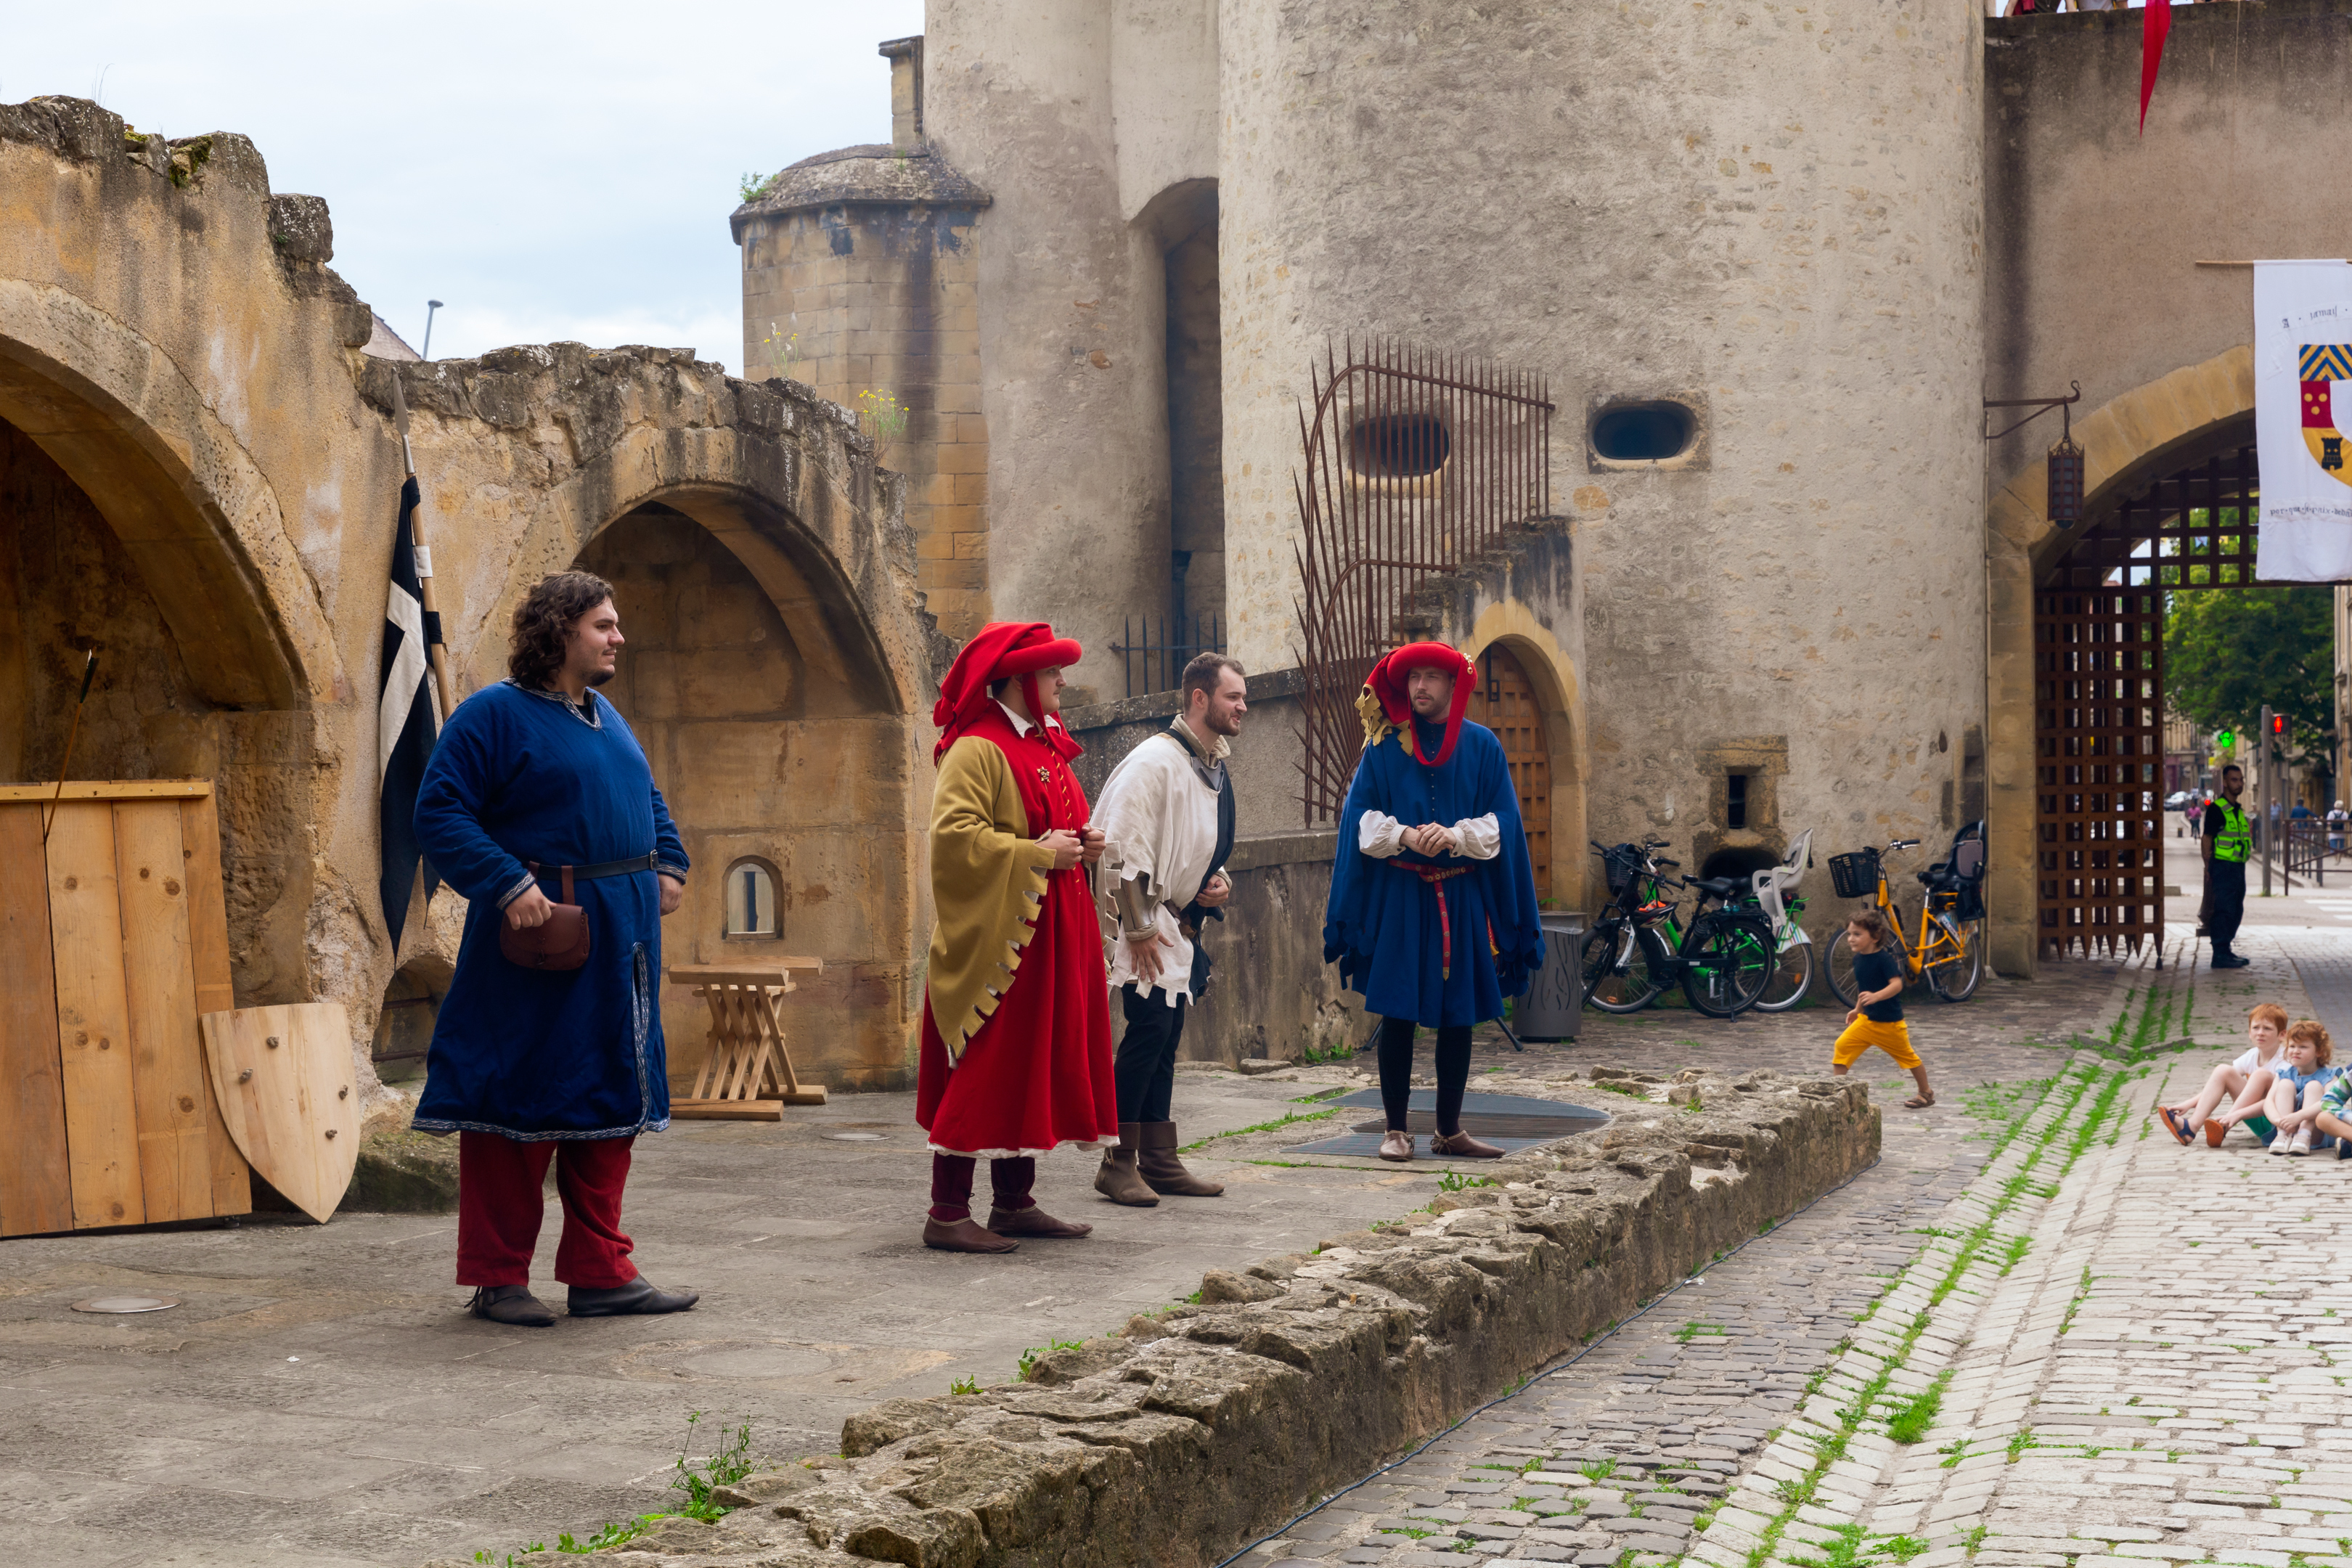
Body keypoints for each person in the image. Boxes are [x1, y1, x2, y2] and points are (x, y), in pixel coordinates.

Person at [412, 571, 697, 1328]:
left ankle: (602, 1273)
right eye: (604, 625)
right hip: (539, 940)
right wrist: (506, 882)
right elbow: (438, 810)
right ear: (561, 630)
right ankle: (498, 1279)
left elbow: (648, 796)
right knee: (515, 1103)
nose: (618, 637)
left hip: (624, 941)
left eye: (616, 624)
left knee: (611, 1098)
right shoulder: (491, 717)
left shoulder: (606, 715)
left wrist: (669, 862)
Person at [915, 621, 1116, 1253]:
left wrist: (1081, 845)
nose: (1062, 680)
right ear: (1019, 680)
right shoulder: (978, 748)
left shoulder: (1046, 743)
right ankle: (947, 1211)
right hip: (1006, 939)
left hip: (1052, 931)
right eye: (1052, 671)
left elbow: (1057, 828)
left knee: (1032, 1062)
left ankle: (1013, 1202)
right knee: (991, 1061)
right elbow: (952, 839)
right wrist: (1036, 853)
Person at [1323, 642, 1545, 1163]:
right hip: (1403, 896)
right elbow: (1360, 823)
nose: (1419, 687)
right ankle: (1396, 1130)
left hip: (1461, 894)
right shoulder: (1382, 747)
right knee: (1398, 1011)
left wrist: (1455, 835)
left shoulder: (1483, 746)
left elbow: (1502, 825)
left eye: (1430, 678)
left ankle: (1449, 1130)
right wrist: (1403, 835)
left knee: (1458, 1014)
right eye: (1413, 678)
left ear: (1452, 685)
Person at [1090, 653, 1246, 1206]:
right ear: (1199, 698)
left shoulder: (1208, 762)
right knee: (1147, 1035)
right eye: (1234, 697)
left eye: (1243, 697)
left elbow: (1199, 839)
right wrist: (1136, 929)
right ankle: (1118, 1161)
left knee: (1164, 1040)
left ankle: (1157, 1158)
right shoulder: (1155, 760)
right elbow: (1119, 842)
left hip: (1177, 923)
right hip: (1147, 923)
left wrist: (1215, 881)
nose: (1243, 707)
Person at [1831, 907, 1934, 1109]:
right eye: (1849, 934)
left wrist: (1877, 996)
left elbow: (1897, 984)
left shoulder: (1884, 959)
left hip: (1889, 1025)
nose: (1851, 939)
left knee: (1909, 1058)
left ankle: (1926, 1092)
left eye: (1857, 934)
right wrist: (1857, 1009)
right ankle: (1837, 1092)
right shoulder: (1859, 958)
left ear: (1875, 936)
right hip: (1866, 1022)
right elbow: (1864, 989)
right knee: (1842, 1047)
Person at [2158, 1003, 2290, 1147]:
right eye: (2256, 1028)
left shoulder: (2286, 1061)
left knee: (2260, 1075)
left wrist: (2235, 1115)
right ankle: (2191, 1127)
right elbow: (2217, 1084)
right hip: (2254, 1117)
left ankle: (2225, 1124)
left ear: (2282, 1035)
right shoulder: (2252, 1055)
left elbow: (2272, 1101)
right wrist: (2188, 1104)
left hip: (2277, 1123)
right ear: (2249, 1032)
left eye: (2267, 1029)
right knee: (2223, 1070)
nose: (2260, 1033)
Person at [2259, 1021, 2337, 1158]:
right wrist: (2278, 1120)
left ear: (2319, 1051)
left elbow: (2331, 1102)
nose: (2296, 1051)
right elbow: (2268, 1102)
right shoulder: (2284, 1074)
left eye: (2303, 1047)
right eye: (2292, 1046)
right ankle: (2282, 1135)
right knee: (2285, 1084)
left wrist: (2299, 1116)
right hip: (2287, 1127)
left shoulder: (2329, 1076)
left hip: (2315, 1132)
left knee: (2313, 1086)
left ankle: (2303, 1135)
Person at [2202, 764, 2253, 969]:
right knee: (2223, 910)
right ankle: (2219, 954)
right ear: (2224, 782)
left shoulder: (2238, 811)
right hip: (2223, 867)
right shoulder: (2217, 809)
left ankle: (2226, 950)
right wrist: (2208, 865)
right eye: (2234, 780)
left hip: (2238, 868)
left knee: (2235, 910)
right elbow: (2207, 838)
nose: (2238, 784)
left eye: (2241, 780)